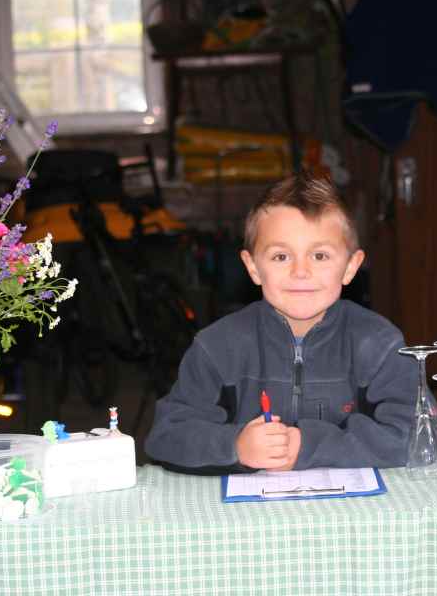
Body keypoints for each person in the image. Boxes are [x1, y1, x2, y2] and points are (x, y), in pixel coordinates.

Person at [144, 173, 418, 473]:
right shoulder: (217, 346)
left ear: (350, 267)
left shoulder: (379, 344)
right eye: (281, 257)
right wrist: (235, 446)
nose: (300, 271)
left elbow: (416, 435)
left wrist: (309, 447)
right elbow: (166, 435)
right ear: (253, 267)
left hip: (360, 504)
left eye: (320, 255)